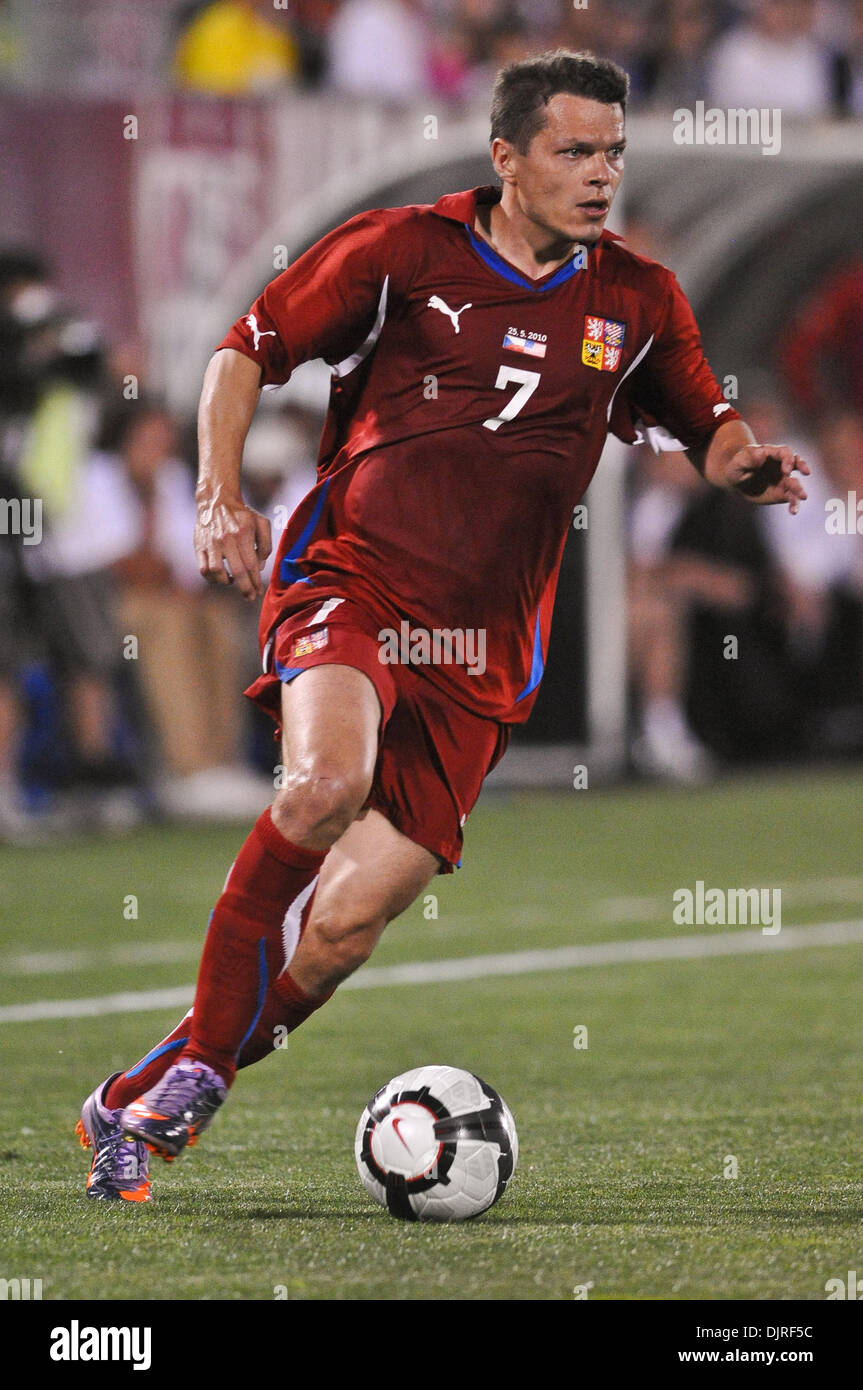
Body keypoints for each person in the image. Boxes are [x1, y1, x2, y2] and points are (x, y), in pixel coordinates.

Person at [76, 49, 808, 1202]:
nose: (600, 173)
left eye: (611, 150)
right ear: (506, 158)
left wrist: (743, 465)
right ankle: (200, 1074)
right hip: (352, 581)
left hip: (478, 655)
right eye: (574, 150)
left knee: (339, 932)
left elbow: (704, 420)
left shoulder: (634, 299)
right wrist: (219, 494)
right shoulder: (401, 251)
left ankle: (134, 1095)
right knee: (320, 786)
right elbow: (242, 352)